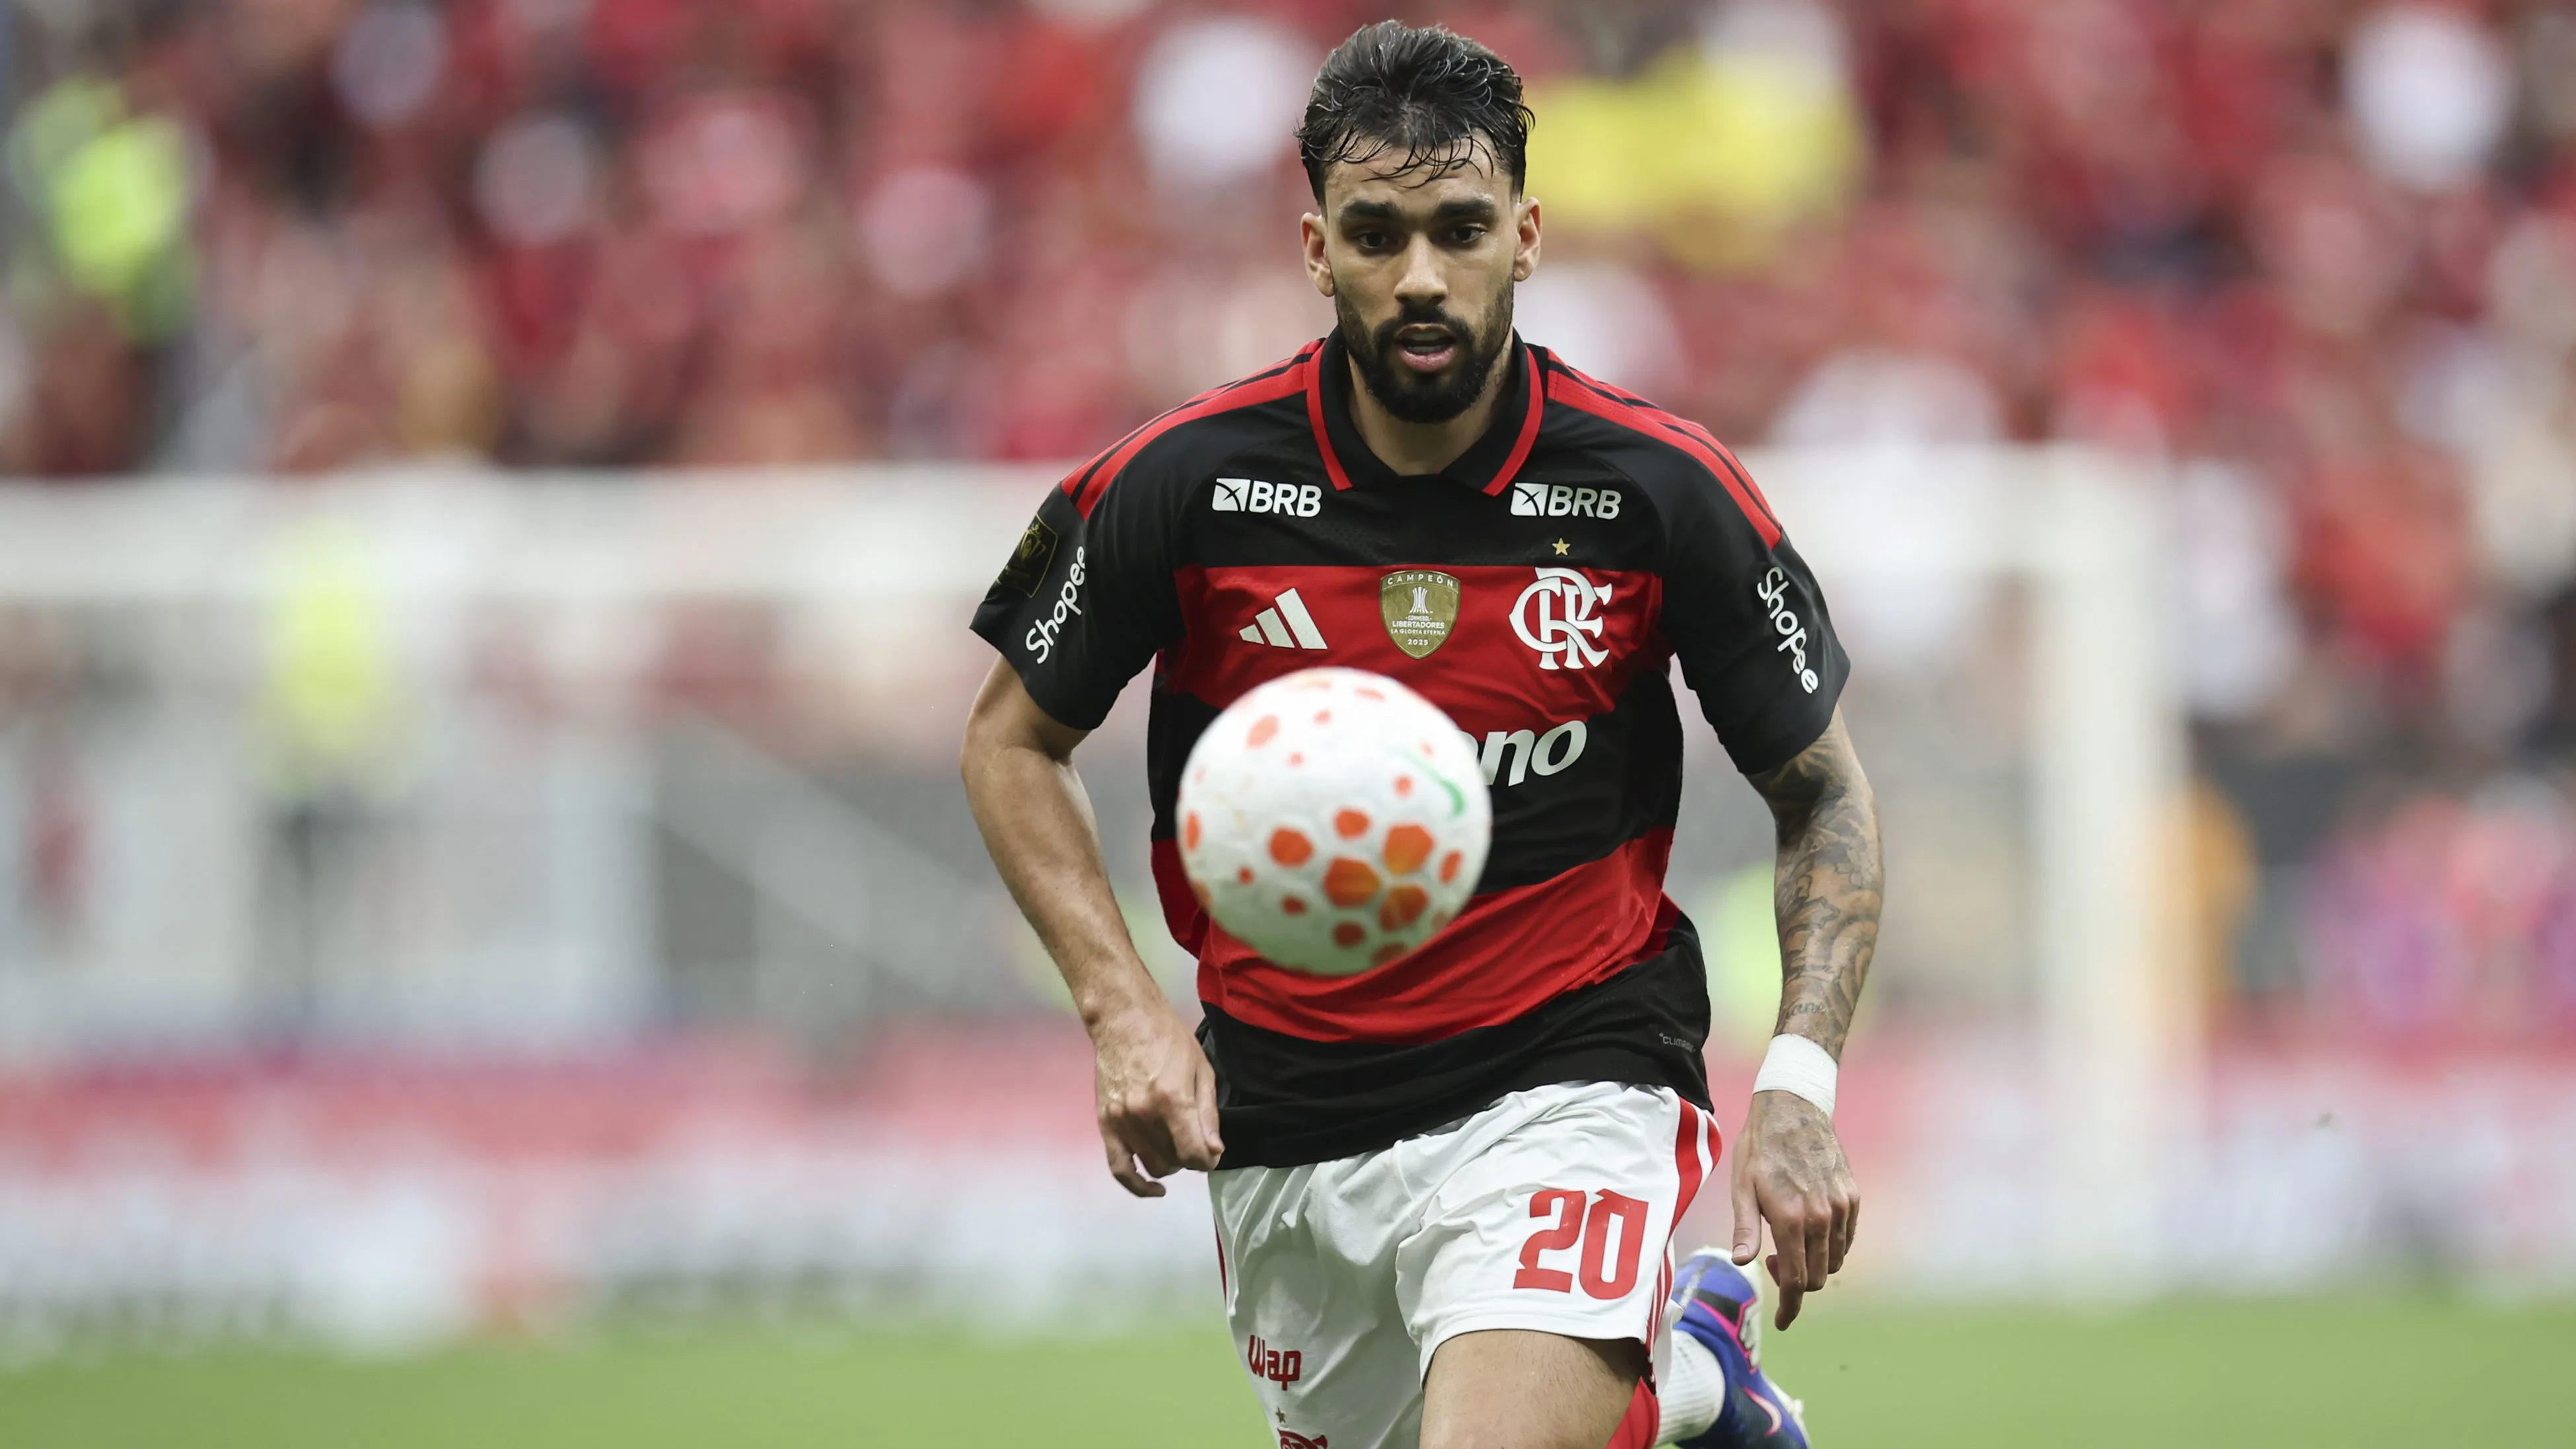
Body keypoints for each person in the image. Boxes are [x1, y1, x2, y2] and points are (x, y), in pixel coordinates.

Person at [959, 22, 1881, 1449]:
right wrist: (1121, 1006)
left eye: (1461, 231)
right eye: (1379, 237)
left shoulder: (1656, 490)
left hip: (1573, 1073)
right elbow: (1010, 741)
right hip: (1284, 1118)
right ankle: (1697, 1386)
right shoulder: (1182, 485)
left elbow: (1822, 790)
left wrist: (1801, 1085)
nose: (1423, 279)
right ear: (1318, 249)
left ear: (1526, 235)